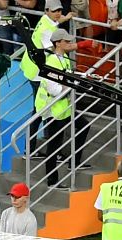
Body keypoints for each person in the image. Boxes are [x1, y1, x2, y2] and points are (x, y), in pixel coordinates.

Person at [32, 30, 78, 189]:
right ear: (57, 43)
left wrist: (69, 84)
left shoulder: (64, 58)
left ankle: (75, 162)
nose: (69, 44)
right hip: (52, 110)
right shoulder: (51, 62)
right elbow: (55, 90)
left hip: (63, 108)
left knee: (83, 125)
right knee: (53, 146)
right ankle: (52, 180)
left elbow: (69, 80)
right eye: (66, 41)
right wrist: (69, 85)